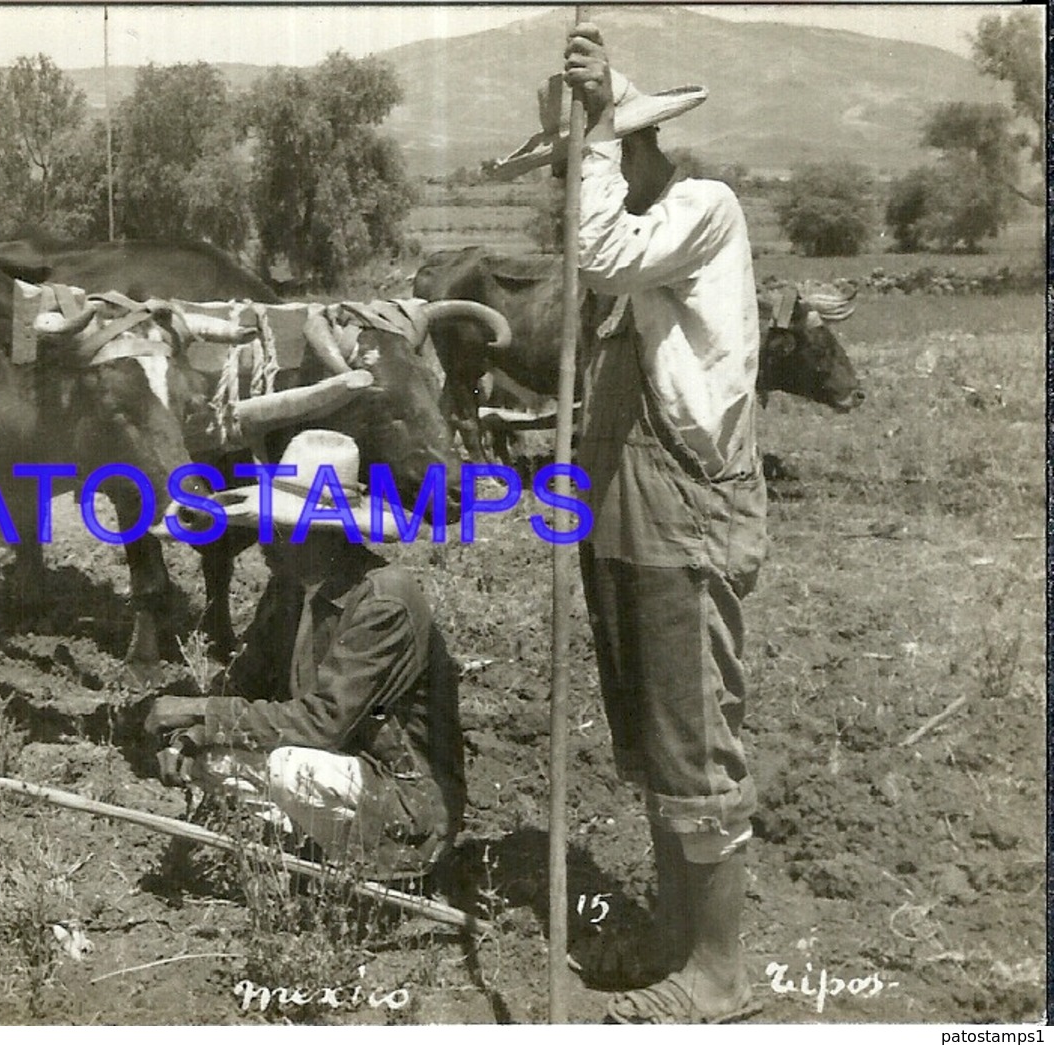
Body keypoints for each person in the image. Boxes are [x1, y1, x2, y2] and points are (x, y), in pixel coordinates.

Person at [503, 24, 767, 1025]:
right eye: (568, 167)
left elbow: (603, 252)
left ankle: (715, 974)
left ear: (635, 144)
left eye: (585, 161)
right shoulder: (627, 229)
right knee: (653, 737)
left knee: (694, 734)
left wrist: (598, 128)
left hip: (682, 506)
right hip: (618, 509)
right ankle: (669, 939)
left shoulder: (698, 210)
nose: (574, 181)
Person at [143, 429, 465, 880]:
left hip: (404, 795)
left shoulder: (383, 600)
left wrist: (201, 710)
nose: (264, 544)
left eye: (277, 528)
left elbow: (323, 724)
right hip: (342, 766)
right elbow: (244, 682)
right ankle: (307, 850)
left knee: (290, 769)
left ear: (323, 535)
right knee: (207, 761)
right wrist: (192, 734)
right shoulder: (289, 589)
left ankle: (387, 865)